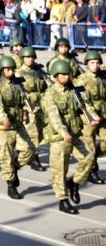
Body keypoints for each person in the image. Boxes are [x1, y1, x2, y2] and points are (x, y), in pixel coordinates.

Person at [43, 60, 99, 214]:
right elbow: (54, 117)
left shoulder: (73, 89)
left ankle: (74, 183)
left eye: (68, 74)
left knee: (89, 157)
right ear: (56, 76)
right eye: (63, 74)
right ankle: (63, 200)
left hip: (74, 133)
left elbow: (85, 104)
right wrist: (63, 132)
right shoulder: (50, 94)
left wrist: (93, 116)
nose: (67, 77)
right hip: (59, 137)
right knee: (60, 170)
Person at [0, 56, 36, 199]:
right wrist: (4, 119)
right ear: (2, 71)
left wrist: (29, 109)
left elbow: (23, 100)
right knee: (6, 156)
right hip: (3, 126)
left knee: (29, 150)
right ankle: (10, 184)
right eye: (8, 69)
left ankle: (13, 168)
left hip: (17, 123)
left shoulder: (17, 84)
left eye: (12, 69)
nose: (11, 72)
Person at [16, 47, 48, 171]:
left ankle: (24, 152)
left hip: (40, 106)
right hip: (29, 107)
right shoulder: (19, 73)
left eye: (32, 57)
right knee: (33, 134)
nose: (30, 59)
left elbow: (45, 87)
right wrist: (25, 108)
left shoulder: (39, 71)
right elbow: (18, 93)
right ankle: (35, 159)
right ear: (23, 58)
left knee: (42, 133)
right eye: (27, 57)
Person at [79, 50, 106, 184]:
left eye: (97, 62)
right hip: (89, 118)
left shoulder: (103, 77)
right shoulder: (82, 80)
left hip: (103, 115)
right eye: (92, 63)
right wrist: (93, 115)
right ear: (87, 64)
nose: (95, 65)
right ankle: (92, 171)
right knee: (89, 146)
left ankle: (93, 159)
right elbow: (83, 101)